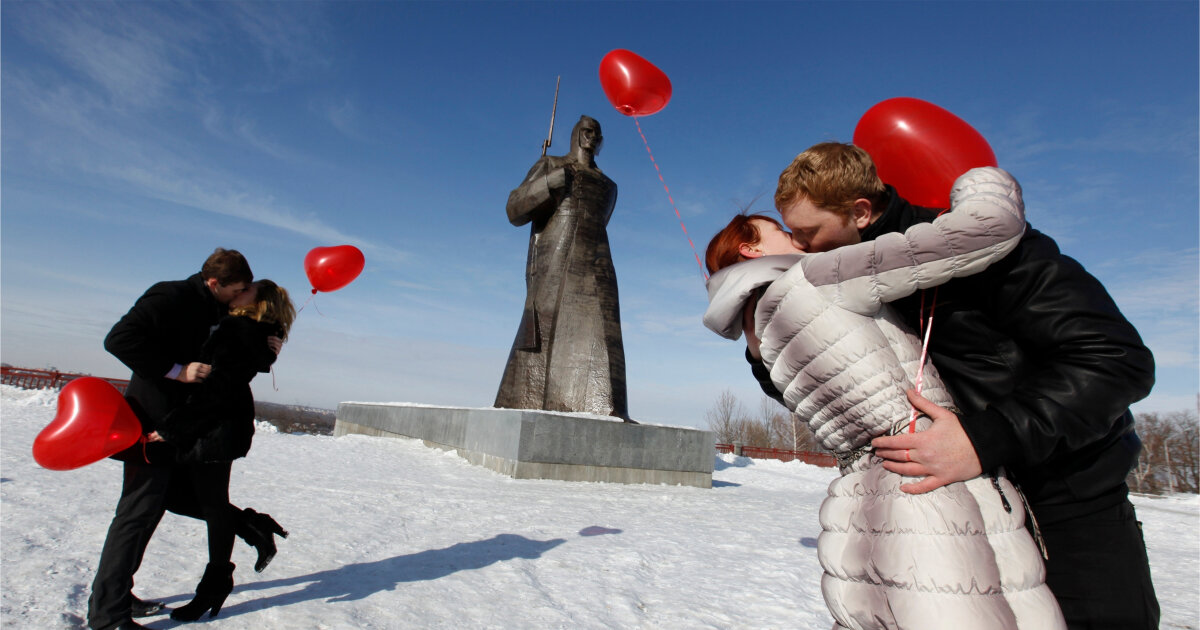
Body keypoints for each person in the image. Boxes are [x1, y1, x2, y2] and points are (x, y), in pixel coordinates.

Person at [767, 142, 1158, 628]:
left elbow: (1114, 360)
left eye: (810, 232)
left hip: (1065, 504)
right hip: (961, 514)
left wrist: (986, 437)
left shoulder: (987, 253)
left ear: (860, 212)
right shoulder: (851, 279)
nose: (801, 247)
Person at [705, 167, 1064, 629]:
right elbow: (984, 232)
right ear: (751, 249)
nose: (800, 241)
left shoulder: (759, 335)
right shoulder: (813, 278)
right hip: (927, 477)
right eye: (785, 233)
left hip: (859, 497)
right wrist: (983, 184)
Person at [89, 249, 286, 630]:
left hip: (185, 426)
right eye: (238, 288)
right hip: (151, 423)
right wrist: (176, 371)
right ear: (216, 283)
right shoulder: (170, 296)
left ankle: (117, 597)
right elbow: (119, 340)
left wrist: (268, 344)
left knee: (157, 508)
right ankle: (108, 617)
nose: (241, 293)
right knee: (137, 513)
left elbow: (234, 351)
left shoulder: (216, 307)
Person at [149, 279, 295, 621]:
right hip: (220, 422)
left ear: (257, 302)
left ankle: (215, 583)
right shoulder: (254, 333)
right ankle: (250, 526)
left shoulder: (237, 329)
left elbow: (216, 388)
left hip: (214, 424)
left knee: (210, 505)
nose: (238, 292)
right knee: (185, 498)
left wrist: (173, 429)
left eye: (246, 290)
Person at [494, 115, 631, 420]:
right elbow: (514, 209)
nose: (591, 137)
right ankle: (526, 404)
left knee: (604, 337)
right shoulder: (550, 165)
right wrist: (549, 182)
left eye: (597, 134)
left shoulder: (609, 186)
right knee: (542, 336)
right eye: (586, 131)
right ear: (574, 135)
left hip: (597, 264)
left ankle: (605, 408)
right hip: (554, 262)